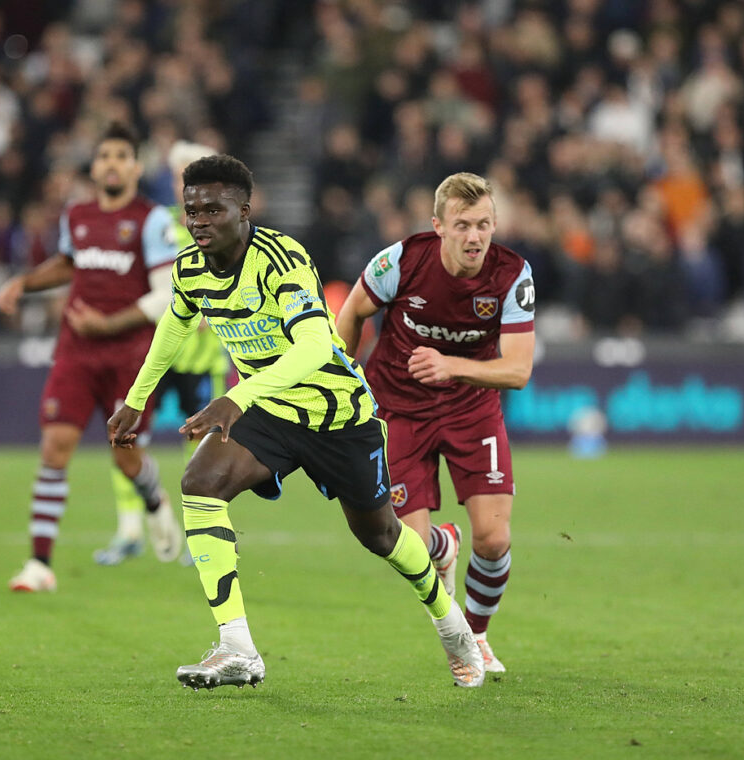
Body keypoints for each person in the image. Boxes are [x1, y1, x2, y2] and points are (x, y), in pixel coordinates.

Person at [107, 155, 485, 690]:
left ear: (244, 209)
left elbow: (312, 346)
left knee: (379, 536)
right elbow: (174, 324)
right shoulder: (190, 268)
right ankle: (237, 646)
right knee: (199, 482)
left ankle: (451, 624)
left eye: (213, 209)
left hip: (337, 414)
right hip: (270, 411)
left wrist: (238, 398)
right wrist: (137, 397)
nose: (200, 221)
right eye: (192, 210)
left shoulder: (282, 260)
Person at [336, 172, 535, 675]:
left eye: (484, 225)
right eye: (464, 225)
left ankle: (478, 635)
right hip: (398, 408)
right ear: (439, 227)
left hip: (472, 409)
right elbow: (353, 311)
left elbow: (518, 370)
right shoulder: (400, 261)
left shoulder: (512, 275)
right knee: (412, 549)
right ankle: (442, 545)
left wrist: (452, 366)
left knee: (493, 539)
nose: (475, 237)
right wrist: (342, 372)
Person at [0, 122, 182, 592]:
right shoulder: (77, 215)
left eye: (122, 155)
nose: (112, 164)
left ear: (136, 167)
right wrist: (24, 283)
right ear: (95, 167)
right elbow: (66, 263)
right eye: (104, 156)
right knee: (55, 447)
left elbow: (166, 294)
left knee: (125, 455)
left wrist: (108, 323)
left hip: (131, 356)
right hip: (77, 352)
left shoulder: (153, 220)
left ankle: (156, 501)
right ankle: (39, 564)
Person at [94, 140, 230, 567]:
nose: (182, 182)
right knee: (126, 434)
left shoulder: (226, 226)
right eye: (177, 174)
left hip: (202, 357)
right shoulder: (154, 222)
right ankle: (130, 528)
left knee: (203, 446)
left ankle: (197, 534)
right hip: (153, 350)